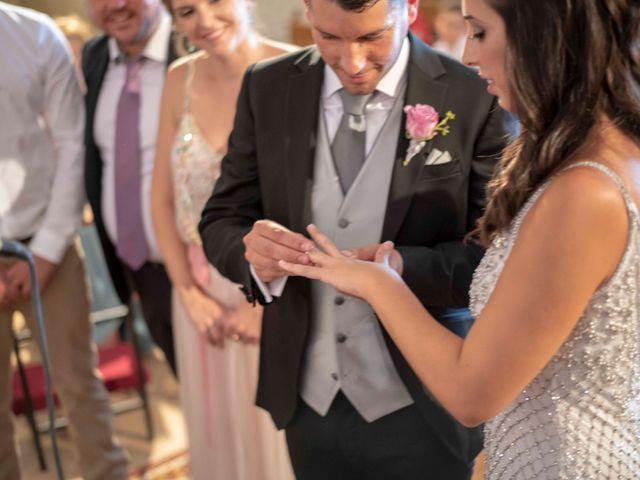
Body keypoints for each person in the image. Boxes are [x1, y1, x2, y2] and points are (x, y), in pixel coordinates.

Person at [278, 0, 640, 477]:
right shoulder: (607, 153)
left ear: (545, 38)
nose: (468, 54)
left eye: (481, 32)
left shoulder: (583, 192)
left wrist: (378, 283)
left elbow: (471, 395)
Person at [199, 0, 516, 476]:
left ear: (408, 9)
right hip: (307, 399)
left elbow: (501, 254)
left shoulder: (476, 94)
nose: (351, 62)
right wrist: (250, 253)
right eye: (329, 36)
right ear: (307, 10)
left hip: (425, 399)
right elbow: (221, 217)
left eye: (371, 38)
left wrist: (401, 269)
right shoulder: (267, 85)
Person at [150, 0, 295, 478]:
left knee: (274, 438)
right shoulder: (179, 79)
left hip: (278, 286)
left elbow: (317, 202)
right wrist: (187, 294)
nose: (204, 21)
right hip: (198, 287)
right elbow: (161, 200)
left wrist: (265, 300)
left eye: (216, 1)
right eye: (188, 9)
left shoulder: (296, 69)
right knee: (215, 433)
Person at [0, 3, 129, 479]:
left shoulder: (37, 35)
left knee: (80, 386)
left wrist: (47, 251)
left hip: (47, 244)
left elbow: (72, 146)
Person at [83, 0, 178, 374]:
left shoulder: (195, 46)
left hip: (204, 264)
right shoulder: (95, 57)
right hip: (140, 270)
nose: (116, 4)